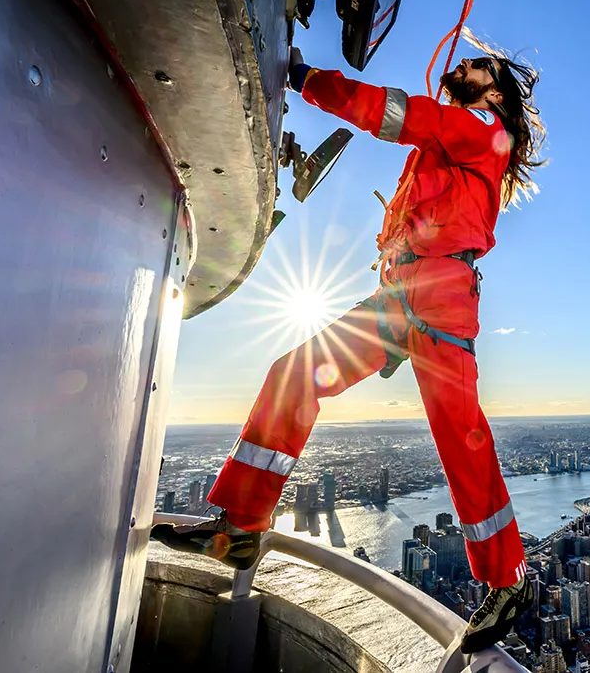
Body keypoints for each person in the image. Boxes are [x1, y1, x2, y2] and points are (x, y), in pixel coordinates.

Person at [153, 46, 544, 654]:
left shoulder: (477, 129)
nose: (464, 68)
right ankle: (243, 526)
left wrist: (309, 80)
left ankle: (506, 578)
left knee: (459, 433)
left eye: (478, 69)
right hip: (404, 293)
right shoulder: (451, 145)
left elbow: (393, 113)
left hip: (439, 294)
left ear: (493, 95)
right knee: (295, 373)